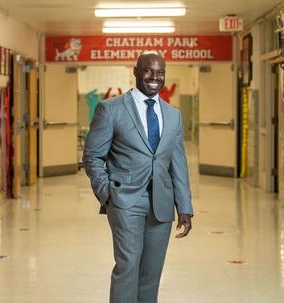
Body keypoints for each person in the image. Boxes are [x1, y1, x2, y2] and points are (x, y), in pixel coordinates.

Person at [83, 50, 193, 303]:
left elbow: (178, 164)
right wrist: (107, 193)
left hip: (162, 204)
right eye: (148, 71)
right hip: (124, 201)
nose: (154, 77)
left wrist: (185, 207)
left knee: (151, 274)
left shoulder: (173, 115)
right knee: (128, 266)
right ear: (136, 72)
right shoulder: (110, 109)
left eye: (160, 72)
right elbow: (92, 156)